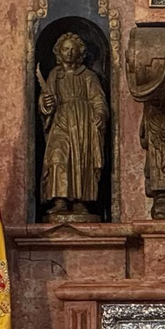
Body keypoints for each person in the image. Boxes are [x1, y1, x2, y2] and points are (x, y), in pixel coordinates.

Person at [38, 32, 108, 220]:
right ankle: (59, 200)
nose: (69, 53)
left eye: (73, 49)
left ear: (80, 53)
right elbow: (45, 98)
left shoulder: (88, 76)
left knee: (81, 160)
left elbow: (98, 99)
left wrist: (100, 114)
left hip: (82, 122)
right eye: (65, 49)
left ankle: (80, 202)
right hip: (60, 120)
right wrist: (46, 104)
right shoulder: (55, 75)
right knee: (57, 157)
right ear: (59, 52)